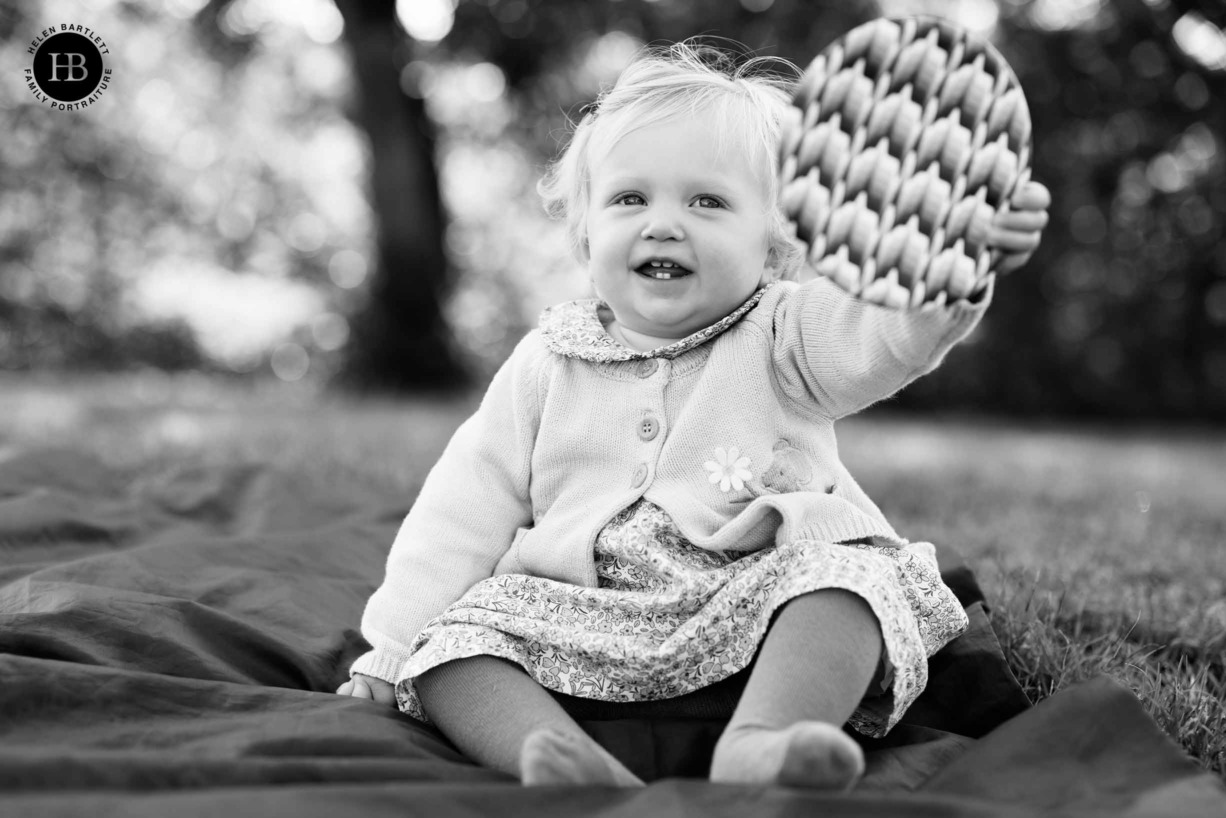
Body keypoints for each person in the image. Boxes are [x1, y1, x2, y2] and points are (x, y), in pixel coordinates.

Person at [337, 40, 1049, 790]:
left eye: (707, 201)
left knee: (847, 586)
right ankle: (559, 762)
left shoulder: (782, 332)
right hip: (586, 615)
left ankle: (764, 741)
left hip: (753, 590)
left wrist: (949, 271)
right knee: (452, 647)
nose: (663, 224)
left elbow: (879, 338)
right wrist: (391, 642)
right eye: (629, 199)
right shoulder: (548, 362)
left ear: (773, 242)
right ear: (586, 232)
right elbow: (465, 503)